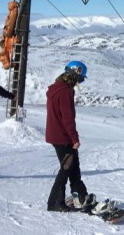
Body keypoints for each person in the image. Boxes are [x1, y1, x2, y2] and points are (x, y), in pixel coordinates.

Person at [46, 60, 94, 212]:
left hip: (57, 134)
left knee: (73, 167)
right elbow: (67, 119)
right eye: (80, 79)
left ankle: (80, 196)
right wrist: (74, 138)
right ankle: (54, 202)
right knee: (66, 168)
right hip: (63, 136)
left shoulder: (56, 88)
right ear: (75, 76)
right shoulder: (66, 91)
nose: (80, 82)